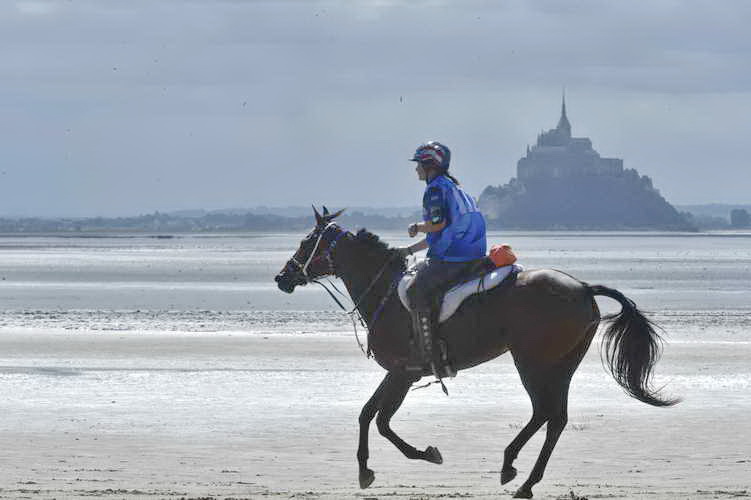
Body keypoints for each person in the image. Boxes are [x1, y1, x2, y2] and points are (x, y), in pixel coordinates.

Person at [398, 141, 487, 379]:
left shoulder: (434, 190)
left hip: (453, 258)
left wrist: (416, 226)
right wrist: (409, 250)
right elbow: (439, 234)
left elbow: (437, 224)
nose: (416, 169)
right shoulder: (454, 187)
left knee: (416, 291)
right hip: (472, 254)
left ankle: (429, 355)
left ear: (430, 166)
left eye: (418, 164)